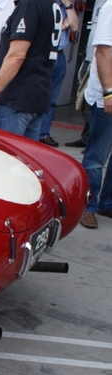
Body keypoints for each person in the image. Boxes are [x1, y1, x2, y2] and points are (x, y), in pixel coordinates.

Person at [0, 0, 63, 140]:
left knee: (6, 156)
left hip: (17, 98)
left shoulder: (29, 4)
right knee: (25, 159)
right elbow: (37, 48)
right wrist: (2, 64)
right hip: (38, 94)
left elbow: (17, 56)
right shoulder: (51, 4)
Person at [79, 0, 112, 229]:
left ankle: (107, 204)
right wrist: (108, 92)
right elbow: (102, 53)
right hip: (106, 97)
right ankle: (87, 207)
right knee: (97, 157)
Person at [65, 0, 108, 148]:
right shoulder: (103, 4)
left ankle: (91, 138)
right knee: (85, 101)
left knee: (94, 104)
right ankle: (88, 136)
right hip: (92, 60)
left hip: (100, 62)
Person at [38, 0, 79, 147]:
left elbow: (74, 26)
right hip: (41, 55)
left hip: (59, 55)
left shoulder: (65, 8)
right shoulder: (43, 4)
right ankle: (33, 132)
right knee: (36, 95)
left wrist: (68, 5)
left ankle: (44, 133)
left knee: (52, 98)